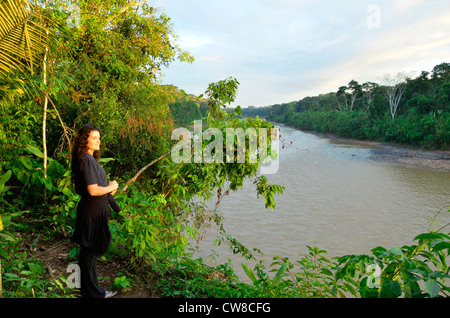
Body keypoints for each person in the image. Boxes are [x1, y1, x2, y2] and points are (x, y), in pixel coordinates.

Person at [70, 124, 121, 298]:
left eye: (99, 138)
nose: (98, 141)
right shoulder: (88, 160)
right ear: (85, 140)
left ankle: (85, 289)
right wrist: (111, 187)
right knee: (91, 251)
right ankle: (95, 294)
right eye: (94, 138)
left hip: (90, 209)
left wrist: (107, 189)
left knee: (87, 251)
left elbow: (91, 188)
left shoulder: (82, 158)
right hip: (93, 212)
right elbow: (93, 190)